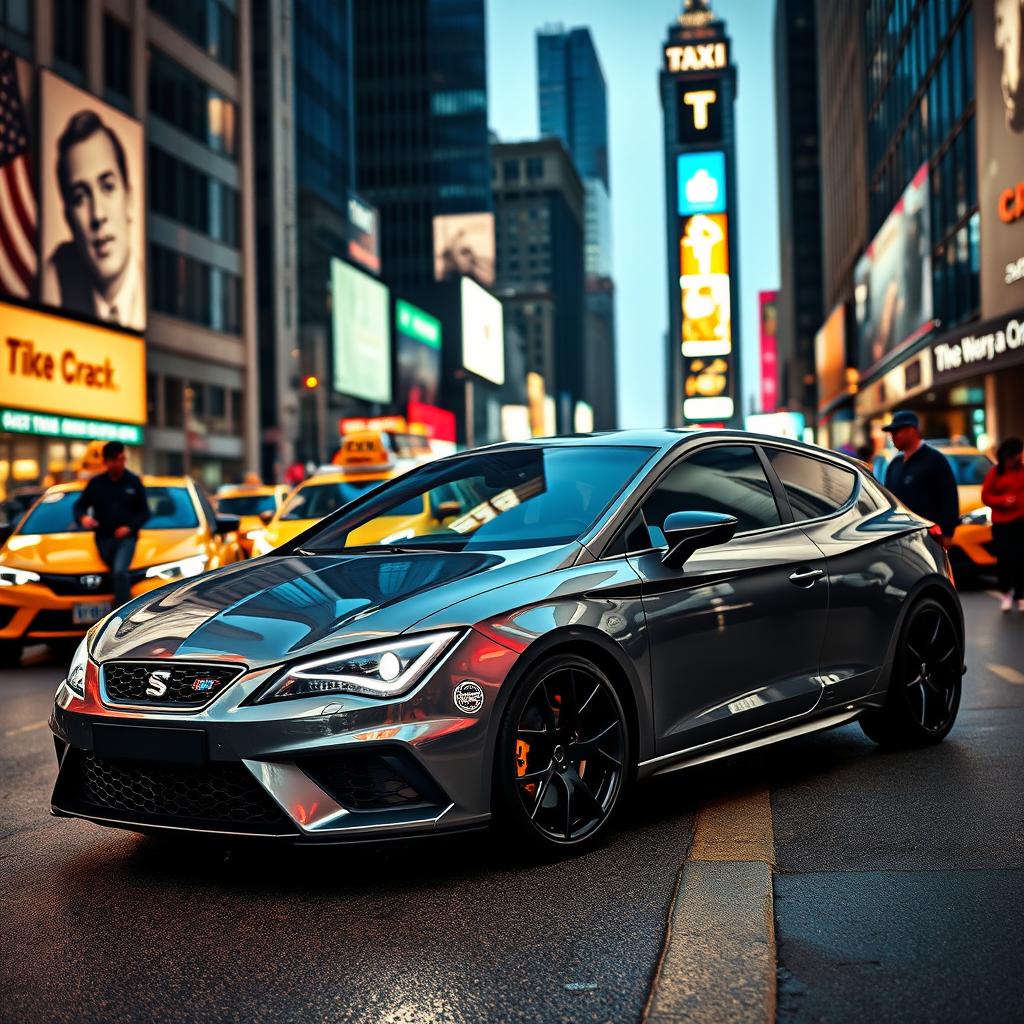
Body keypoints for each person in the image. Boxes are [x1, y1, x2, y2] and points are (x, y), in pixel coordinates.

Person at [41, 110, 144, 330]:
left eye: (108, 187)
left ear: (130, 199)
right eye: (80, 198)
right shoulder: (57, 285)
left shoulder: (157, 298)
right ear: (68, 219)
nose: (97, 215)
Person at [73, 442, 149, 608]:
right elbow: (79, 506)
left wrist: (129, 527)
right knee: (112, 574)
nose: (121, 463)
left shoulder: (133, 482)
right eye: (117, 460)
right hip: (102, 539)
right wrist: (84, 518)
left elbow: (144, 512)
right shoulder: (96, 484)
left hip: (127, 539)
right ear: (107, 461)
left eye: (123, 459)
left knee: (120, 571)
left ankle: (122, 616)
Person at [883, 410, 959, 547]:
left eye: (897, 431)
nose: (893, 436)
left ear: (912, 430)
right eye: (891, 432)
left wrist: (947, 534)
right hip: (899, 539)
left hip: (928, 539)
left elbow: (950, 499)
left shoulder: (935, 460)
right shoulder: (894, 464)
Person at [981, 436, 1024, 612]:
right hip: (1001, 523)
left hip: (1020, 521)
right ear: (1008, 455)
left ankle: (1020, 595)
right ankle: (1006, 593)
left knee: (1021, 559)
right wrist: (1002, 500)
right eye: (1016, 454)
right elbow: (986, 496)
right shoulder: (995, 473)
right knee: (1004, 560)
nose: (1018, 458)